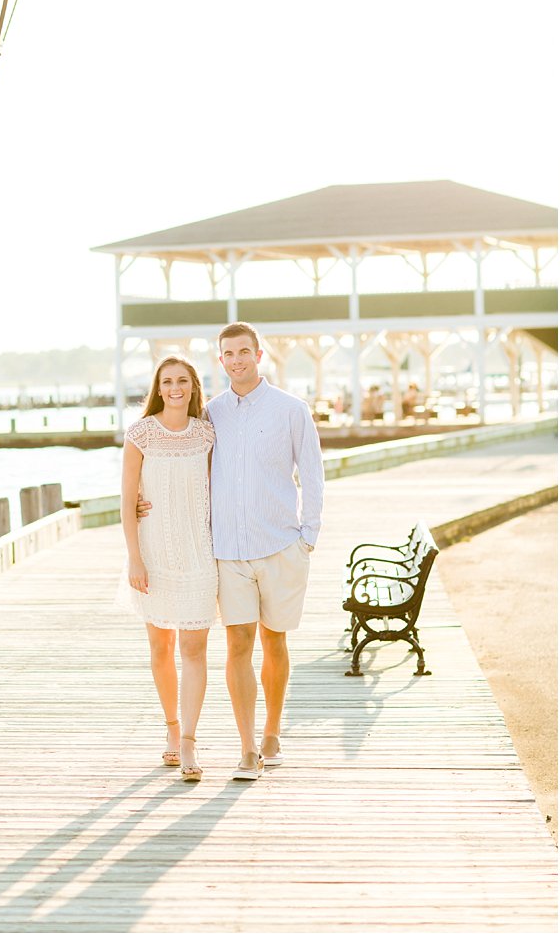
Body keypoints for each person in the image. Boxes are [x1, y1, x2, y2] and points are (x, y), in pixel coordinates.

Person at [206, 322, 324, 780]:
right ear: (221, 361)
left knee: (275, 640)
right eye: (228, 354)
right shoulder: (210, 413)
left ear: (259, 354)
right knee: (237, 643)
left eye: (243, 352)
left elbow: (312, 473)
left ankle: (273, 730)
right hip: (229, 550)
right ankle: (247, 746)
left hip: (280, 544)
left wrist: (308, 536)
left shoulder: (291, 410)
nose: (236, 360)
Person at [119, 355, 217, 782]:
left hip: (199, 554)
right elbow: (126, 503)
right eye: (167, 382)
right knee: (160, 649)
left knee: (194, 650)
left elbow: (220, 491)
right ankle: (172, 732)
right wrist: (134, 558)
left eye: (183, 381)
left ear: (194, 386)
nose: (175, 388)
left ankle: (192, 743)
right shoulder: (140, 434)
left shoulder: (207, 435)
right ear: (158, 389)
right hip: (153, 554)